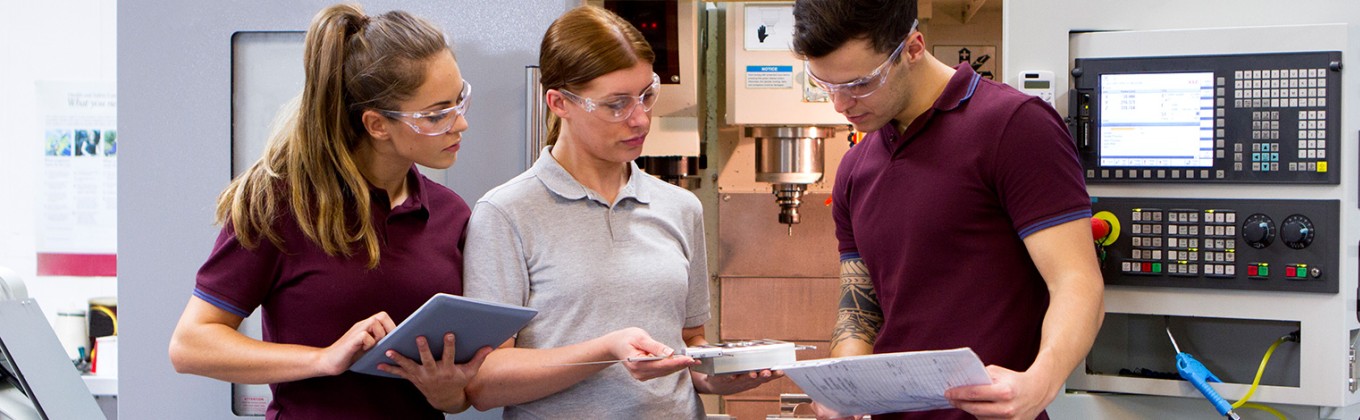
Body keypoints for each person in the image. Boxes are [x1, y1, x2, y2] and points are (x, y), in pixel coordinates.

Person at [167, 4, 486, 419]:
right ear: (377, 125)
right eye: (436, 114)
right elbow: (190, 345)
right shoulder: (279, 203)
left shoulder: (451, 215)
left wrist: (448, 392)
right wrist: (323, 359)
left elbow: (457, 399)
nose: (459, 124)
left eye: (459, 100)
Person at [791, 1, 1105, 419]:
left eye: (861, 83)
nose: (841, 104)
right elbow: (859, 307)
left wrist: (1039, 383)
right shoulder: (855, 167)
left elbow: (1077, 281)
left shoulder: (1014, 127)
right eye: (825, 84)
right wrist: (842, 389)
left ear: (914, 47)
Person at [462, 6, 779, 419]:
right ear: (560, 103)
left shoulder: (680, 207)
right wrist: (606, 350)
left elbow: (688, 342)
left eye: (648, 94)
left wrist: (716, 375)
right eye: (617, 104)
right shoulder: (506, 214)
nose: (641, 119)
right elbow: (484, 382)